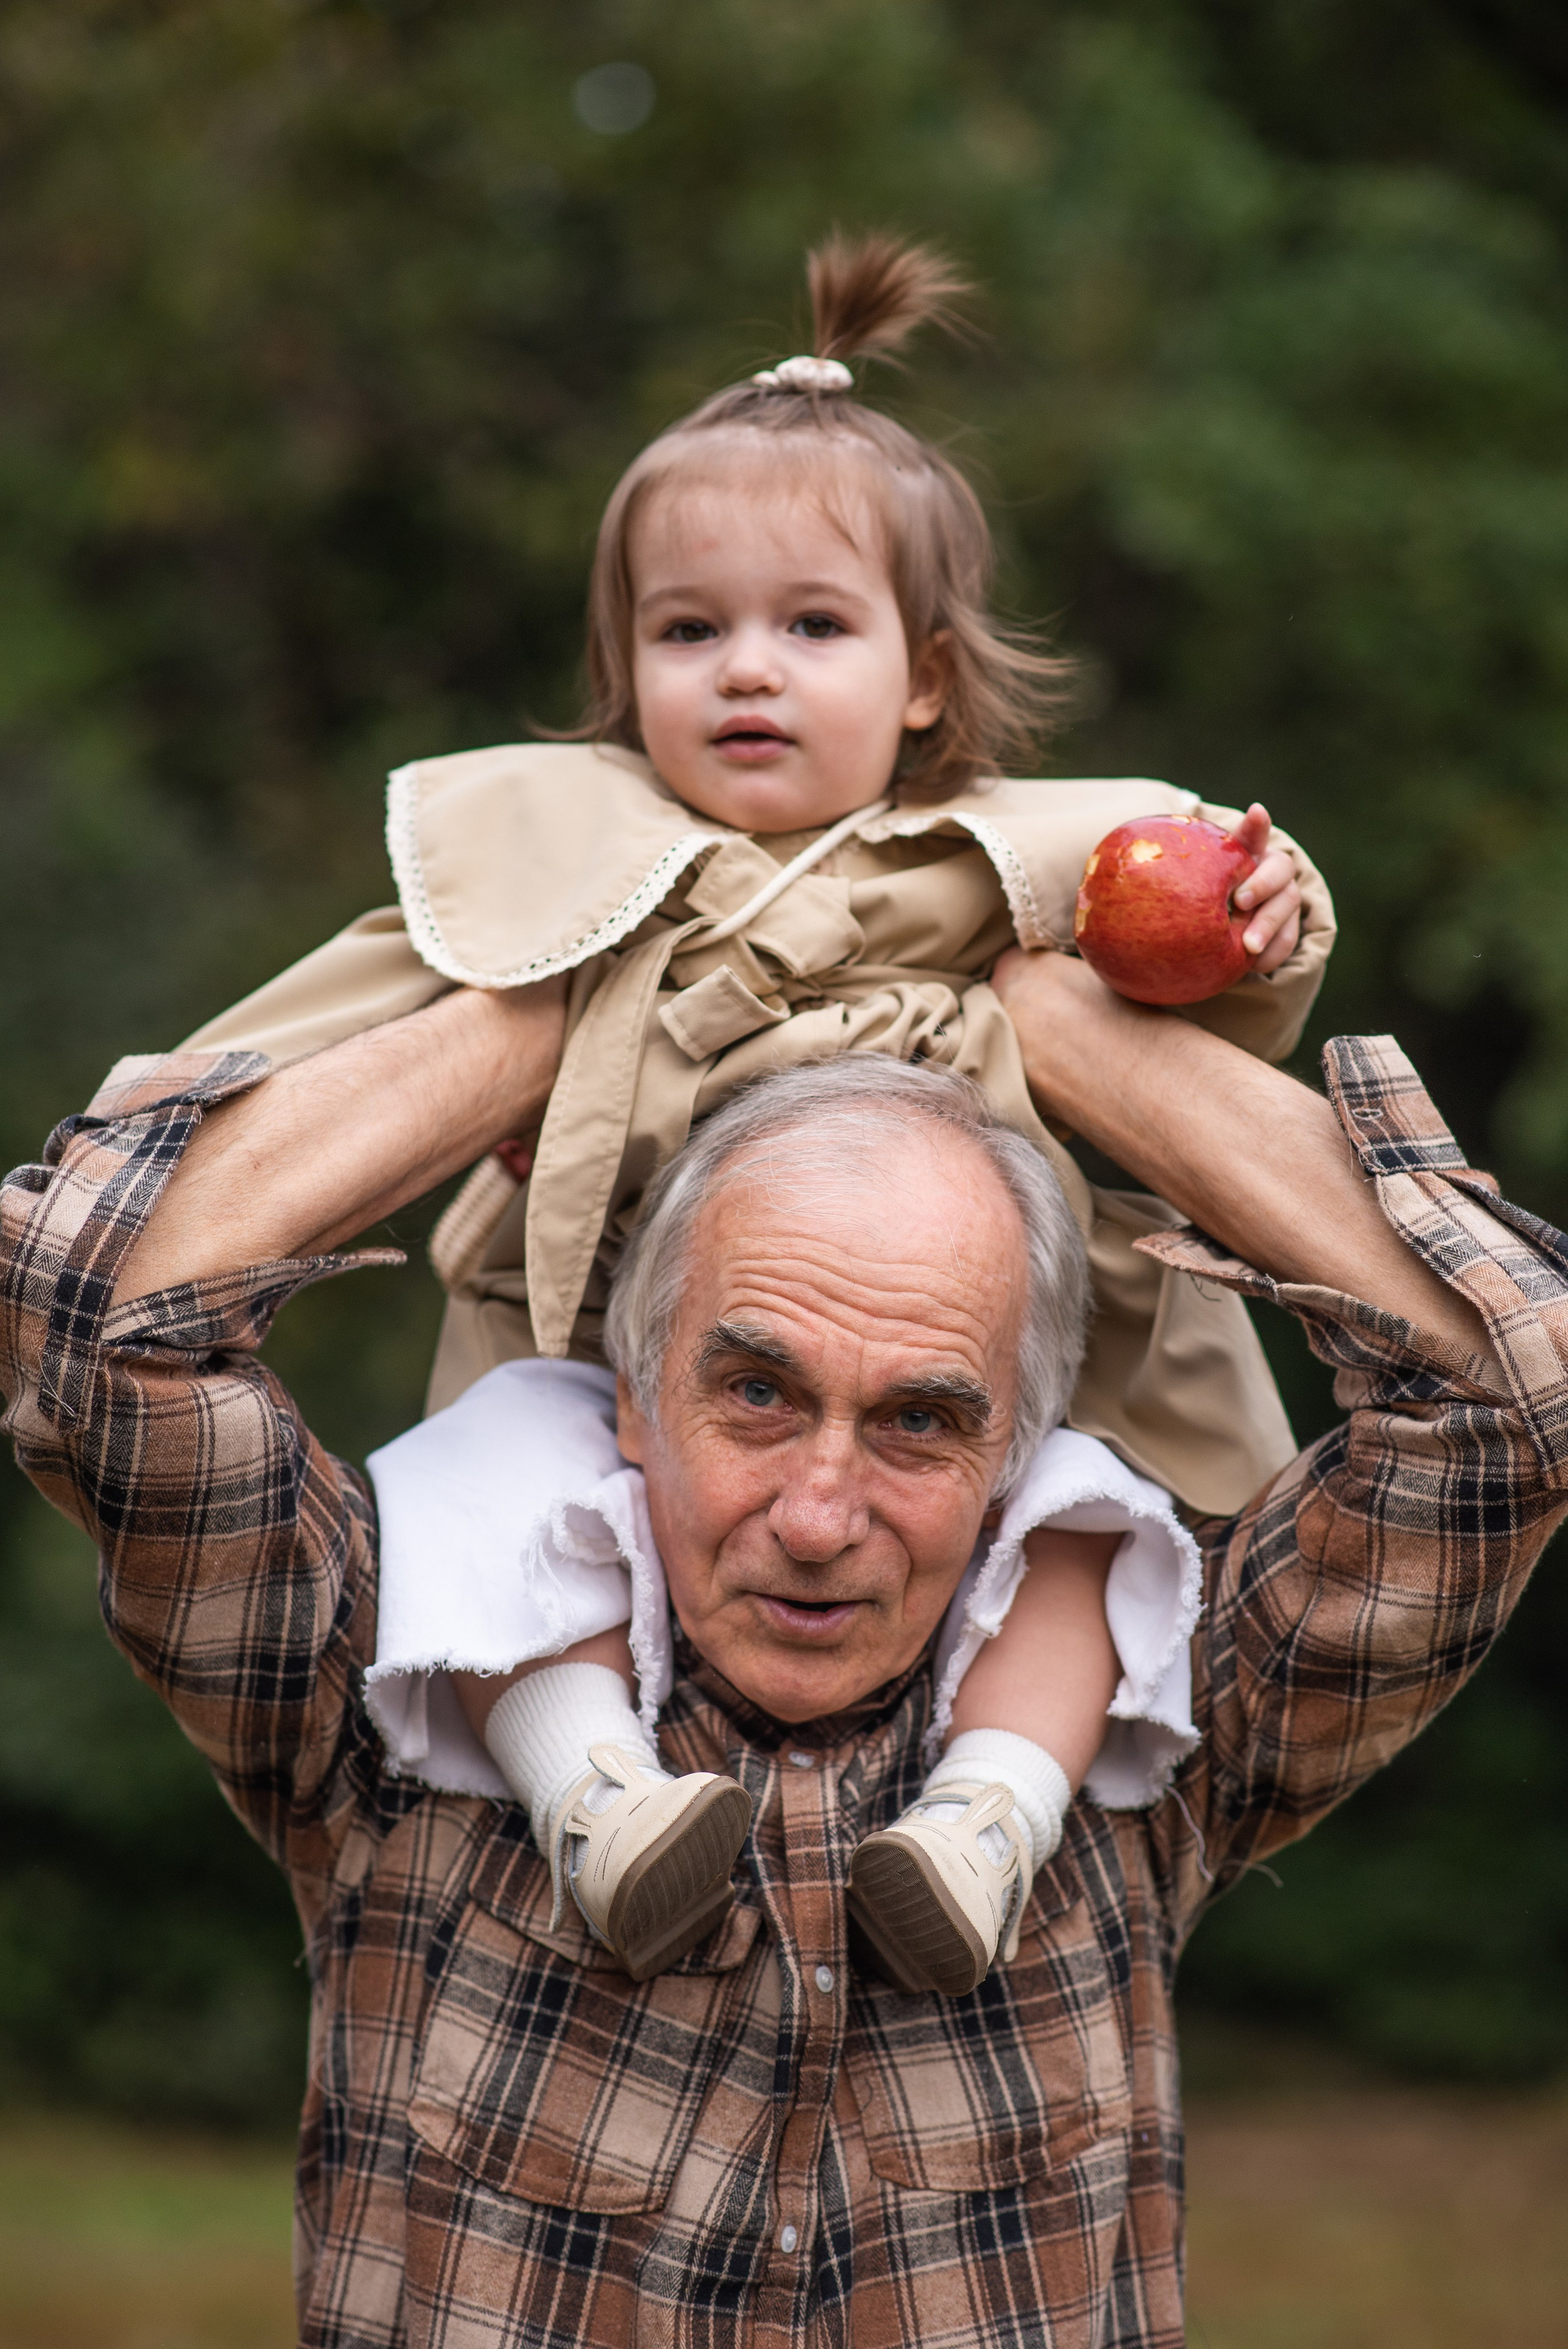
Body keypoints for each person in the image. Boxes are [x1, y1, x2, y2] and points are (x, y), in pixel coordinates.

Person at [2, 952, 1562, 2348]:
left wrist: (1064, 1024)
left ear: (1017, 1462)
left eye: (919, 1421)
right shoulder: (392, 1692)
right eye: (754, 1392)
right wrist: (558, 1005)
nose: (818, 1516)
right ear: (628, 1399)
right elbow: (97, 1313)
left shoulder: (1148, 1719)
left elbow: (1514, 1390)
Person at [178, 233, 1334, 1989]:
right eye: (687, 629)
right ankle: (596, 1800)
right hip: (619, 1370)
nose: (745, 669)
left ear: (923, 675)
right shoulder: (576, 880)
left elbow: (1204, 1003)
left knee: (1086, 1526)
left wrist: (1262, 912)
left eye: (811, 626)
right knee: (486, 1494)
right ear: (622, 661)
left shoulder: (1001, 867)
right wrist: (180, 1124)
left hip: (960, 1387)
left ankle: (988, 1818)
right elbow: (315, 1038)